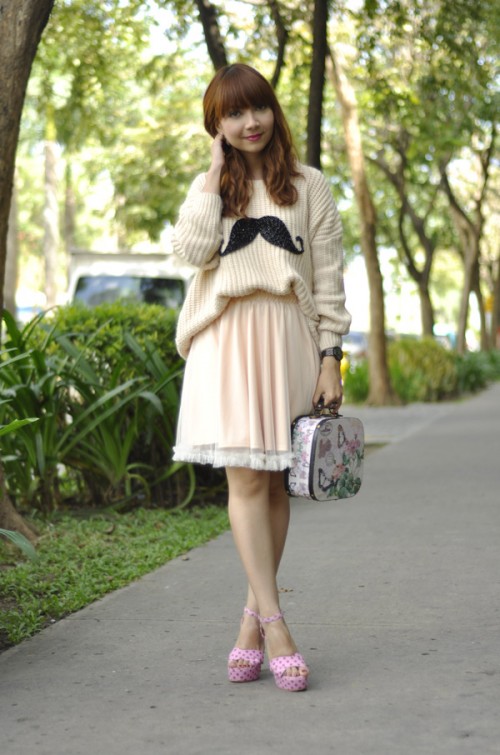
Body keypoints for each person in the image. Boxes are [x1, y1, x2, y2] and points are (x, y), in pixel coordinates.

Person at [172, 63, 351, 692]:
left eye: (259, 108)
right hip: (225, 342)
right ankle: (276, 626)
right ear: (216, 125)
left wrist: (331, 357)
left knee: (276, 485)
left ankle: (250, 621)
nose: (250, 122)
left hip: (289, 340)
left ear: (274, 110)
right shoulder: (210, 189)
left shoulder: (309, 185)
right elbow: (191, 253)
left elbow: (328, 279)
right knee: (247, 480)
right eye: (234, 114)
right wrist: (211, 175)